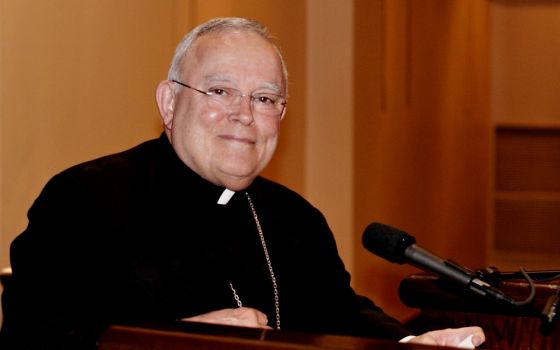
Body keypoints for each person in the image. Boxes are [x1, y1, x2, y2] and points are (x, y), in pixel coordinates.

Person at [0, 17, 485, 349]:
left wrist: (406, 343)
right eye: (219, 90)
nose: (244, 115)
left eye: (265, 98)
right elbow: (34, 335)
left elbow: (336, 313)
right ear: (169, 103)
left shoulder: (295, 218)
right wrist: (176, 342)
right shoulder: (84, 199)